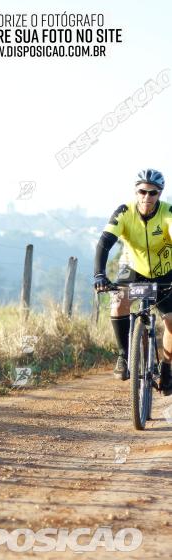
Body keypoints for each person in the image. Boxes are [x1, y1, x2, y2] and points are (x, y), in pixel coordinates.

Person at [94, 168, 172, 393]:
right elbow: (104, 243)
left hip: (165, 271)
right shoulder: (124, 212)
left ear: (160, 194)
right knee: (119, 301)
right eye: (142, 191)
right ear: (136, 192)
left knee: (171, 321)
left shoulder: (168, 213)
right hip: (133, 270)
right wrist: (99, 274)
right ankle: (124, 355)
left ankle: (167, 368)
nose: (147, 197)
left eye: (153, 193)